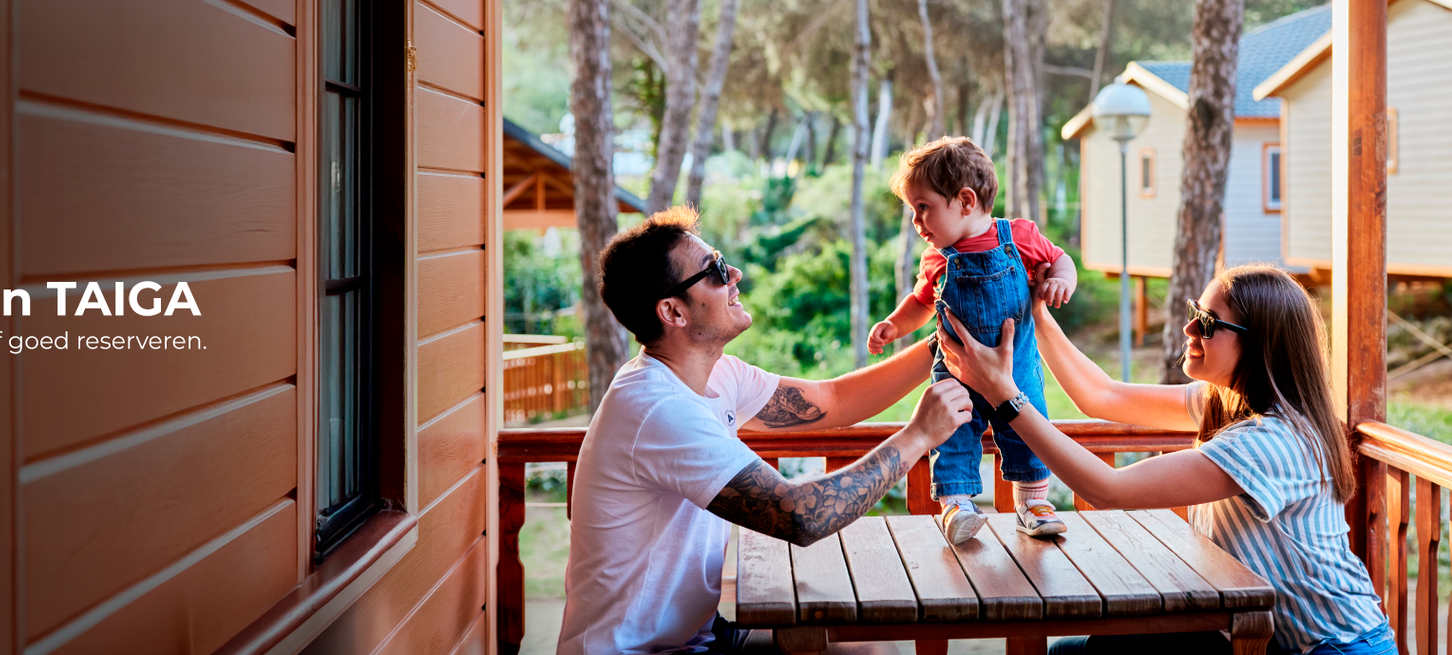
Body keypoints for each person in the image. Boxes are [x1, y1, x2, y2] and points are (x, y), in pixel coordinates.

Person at [557, 206, 974, 655]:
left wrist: (949, 337)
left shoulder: (716, 374)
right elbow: (800, 515)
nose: (733, 273)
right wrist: (917, 437)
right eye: (714, 270)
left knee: (871, 650)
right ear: (673, 311)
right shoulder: (656, 410)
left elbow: (833, 401)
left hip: (698, 637)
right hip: (636, 652)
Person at [938, 263, 1394, 655]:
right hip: (1264, 635)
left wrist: (1004, 396)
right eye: (1197, 313)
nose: (1189, 329)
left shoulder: (1273, 440)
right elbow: (1103, 396)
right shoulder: (1226, 400)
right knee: (1076, 651)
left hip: (1336, 645)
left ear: (1259, 347)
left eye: (1209, 324)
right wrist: (1036, 313)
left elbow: (1108, 490)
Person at [866, 137, 1078, 543]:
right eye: (913, 210)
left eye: (923, 207)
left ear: (964, 200)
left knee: (1028, 432)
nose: (916, 221)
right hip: (955, 372)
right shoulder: (937, 258)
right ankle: (957, 506)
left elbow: (1059, 258)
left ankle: (1033, 504)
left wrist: (1059, 280)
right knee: (952, 434)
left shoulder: (1019, 236)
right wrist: (894, 325)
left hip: (1015, 368)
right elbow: (921, 302)